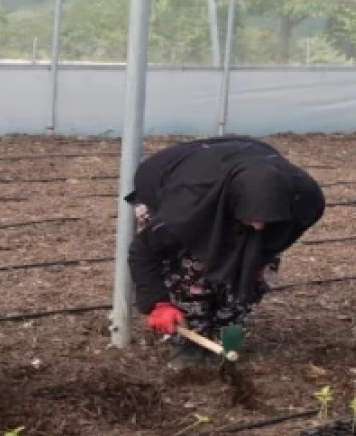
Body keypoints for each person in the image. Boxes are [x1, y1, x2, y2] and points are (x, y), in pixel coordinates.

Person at [124, 137, 325, 370]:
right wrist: (157, 304)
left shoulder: (305, 198)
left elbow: (281, 234)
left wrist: (260, 258)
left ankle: (226, 331)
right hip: (175, 178)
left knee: (252, 273)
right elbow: (143, 251)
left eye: (267, 219)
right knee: (193, 268)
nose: (259, 226)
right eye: (253, 217)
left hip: (244, 164)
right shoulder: (185, 207)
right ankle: (190, 340)